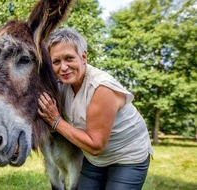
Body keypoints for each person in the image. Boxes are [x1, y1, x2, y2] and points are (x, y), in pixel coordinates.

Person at [37, 28, 153, 190]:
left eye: (69, 58)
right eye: (56, 62)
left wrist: (56, 121)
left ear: (83, 57)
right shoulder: (62, 85)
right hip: (94, 160)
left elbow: (95, 146)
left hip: (127, 156)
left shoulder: (101, 88)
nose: (63, 67)